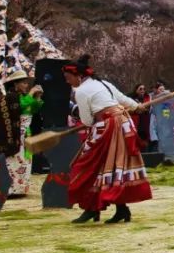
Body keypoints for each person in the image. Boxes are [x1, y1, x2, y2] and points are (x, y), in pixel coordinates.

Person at [63, 55, 151, 224]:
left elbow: (88, 121)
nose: (68, 82)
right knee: (110, 167)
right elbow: (122, 99)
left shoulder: (81, 91)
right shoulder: (103, 83)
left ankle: (93, 209)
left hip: (107, 128)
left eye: (68, 78)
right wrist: (136, 106)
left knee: (88, 166)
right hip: (122, 125)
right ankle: (116, 209)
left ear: (78, 76)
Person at [0, 69, 41, 197]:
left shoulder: (22, 97)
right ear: (16, 84)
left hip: (26, 132)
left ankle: (20, 188)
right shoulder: (12, 97)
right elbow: (21, 107)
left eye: (27, 83)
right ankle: (11, 189)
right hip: (17, 133)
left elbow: (33, 109)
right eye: (23, 83)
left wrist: (37, 97)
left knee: (26, 160)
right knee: (15, 161)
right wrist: (32, 94)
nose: (26, 85)